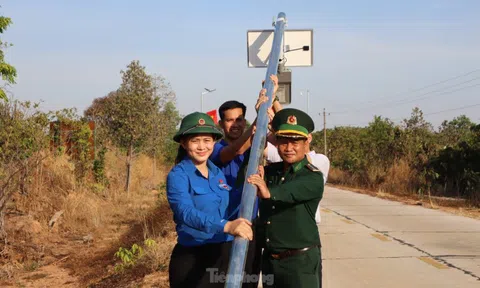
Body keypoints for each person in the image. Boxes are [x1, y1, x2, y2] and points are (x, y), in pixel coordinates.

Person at [166, 112, 253, 288]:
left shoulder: (216, 173)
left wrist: (253, 185)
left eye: (207, 140)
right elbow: (185, 212)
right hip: (193, 256)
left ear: (214, 142)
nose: (201, 147)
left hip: (221, 254)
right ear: (183, 143)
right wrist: (227, 226)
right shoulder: (178, 175)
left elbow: (227, 203)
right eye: (195, 141)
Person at [248, 108, 325, 288]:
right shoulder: (272, 171)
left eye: (295, 142)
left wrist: (267, 191)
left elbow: (286, 192)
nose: (289, 148)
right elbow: (247, 176)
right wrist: (256, 140)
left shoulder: (312, 177)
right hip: (270, 262)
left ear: (307, 141)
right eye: (283, 141)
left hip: (299, 263)